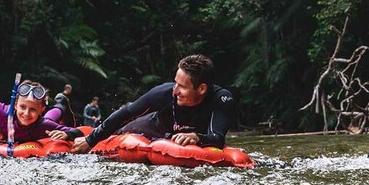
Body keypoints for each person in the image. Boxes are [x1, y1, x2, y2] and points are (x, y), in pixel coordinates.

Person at [59, 54, 237, 153]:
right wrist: (90, 141)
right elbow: (125, 113)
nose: (175, 90)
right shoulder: (164, 93)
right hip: (151, 126)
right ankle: (76, 132)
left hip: (179, 138)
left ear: (202, 89)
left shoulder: (221, 99)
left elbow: (217, 137)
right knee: (118, 129)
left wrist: (198, 137)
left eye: (182, 86)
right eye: (175, 82)